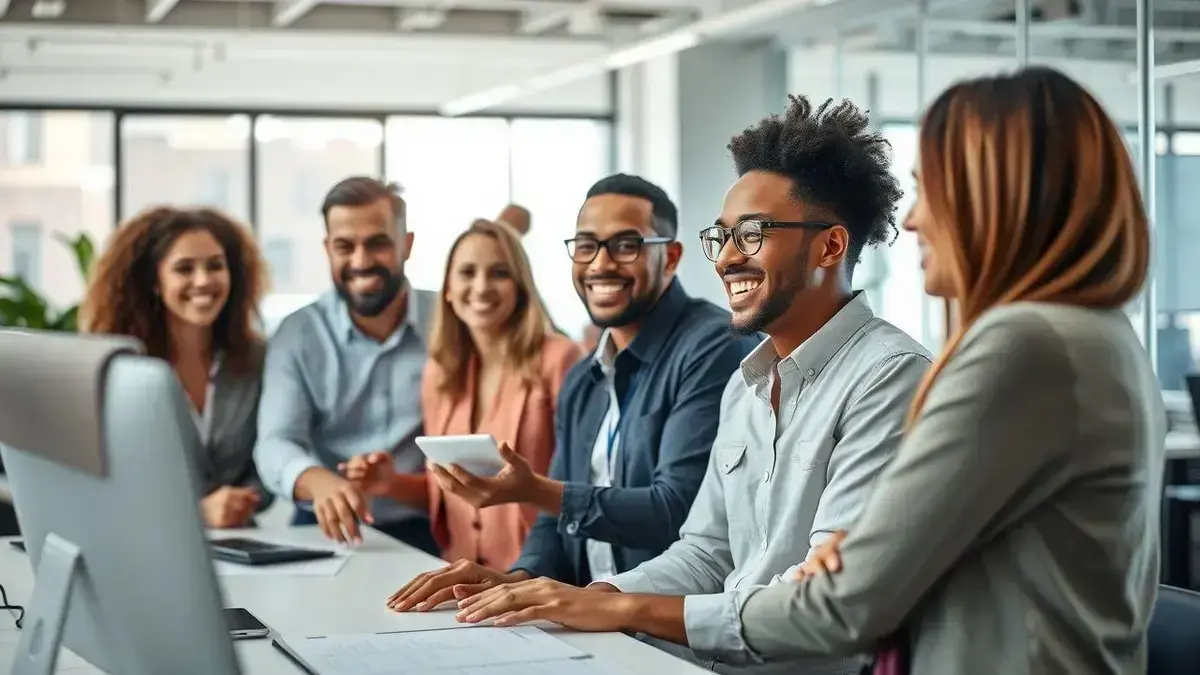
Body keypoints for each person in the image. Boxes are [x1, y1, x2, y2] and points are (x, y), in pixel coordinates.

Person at [563, 68, 1165, 673]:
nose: (912, 221)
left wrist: (630, 611)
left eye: (932, 191)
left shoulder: (1020, 349)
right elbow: (754, 559)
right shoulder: (1084, 337)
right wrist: (598, 601)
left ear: (999, 197)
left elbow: (847, 600)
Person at [444, 97, 932, 675]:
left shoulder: (891, 377)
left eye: (752, 235)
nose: (726, 259)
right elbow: (707, 552)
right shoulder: (746, 384)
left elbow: (822, 607)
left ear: (830, 246)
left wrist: (622, 606)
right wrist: (593, 598)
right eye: (721, 237)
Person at [385, 174, 758, 612]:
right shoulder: (585, 377)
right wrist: (516, 579)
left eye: (625, 245)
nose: (600, 264)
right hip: (589, 617)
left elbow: (676, 511)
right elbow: (555, 520)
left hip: (674, 627)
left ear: (670, 257)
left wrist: (535, 490)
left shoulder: (712, 345)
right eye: (586, 246)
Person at [341, 218, 583, 571]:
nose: (481, 287)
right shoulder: (441, 371)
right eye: (467, 273)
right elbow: (452, 493)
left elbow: (582, 486)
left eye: (499, 272)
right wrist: (390, 484)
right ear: (449, 290)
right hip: (460, 581)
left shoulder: (560, 359)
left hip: (540, 577)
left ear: (520, 285)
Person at [254, 177, 439, 555]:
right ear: (328, 249)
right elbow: (275, 441)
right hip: (326, 523)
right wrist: (317, 481)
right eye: (344, 247)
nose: (360, 261)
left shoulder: (450, 321)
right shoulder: (298, 333)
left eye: (378, 243)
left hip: (431, 523)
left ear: (407, 244)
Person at [81, 206, 272, 529]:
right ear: (154, 281)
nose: (204, 281)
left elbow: (269, 456)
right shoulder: (119, 368)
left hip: (243, 544)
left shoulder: (256, 359)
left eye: (216, 266)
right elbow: (103, 486)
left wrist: (244, 499)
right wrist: (197, 513)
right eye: (184, 268)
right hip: (149, 541)